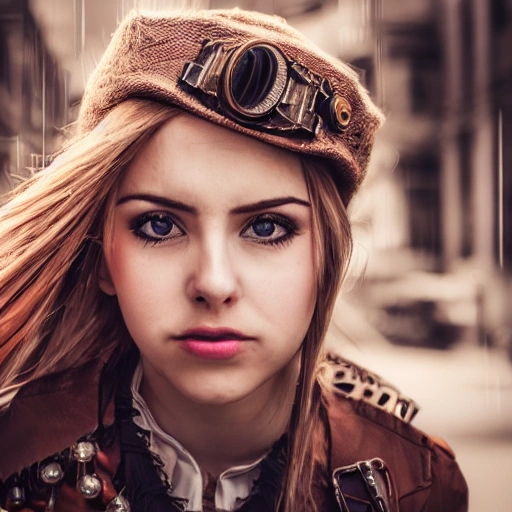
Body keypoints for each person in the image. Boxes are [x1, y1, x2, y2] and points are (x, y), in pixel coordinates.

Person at [0, 8, 467, 512]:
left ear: (326, 260)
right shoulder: (14, 459)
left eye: (267, 228)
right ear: (101, 259)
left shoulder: (419, 486)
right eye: (159, 225)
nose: (214, 283)